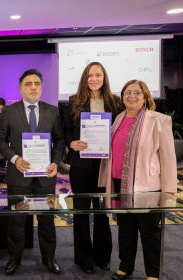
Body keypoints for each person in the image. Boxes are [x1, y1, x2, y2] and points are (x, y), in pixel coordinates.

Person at [98, 80, 178, 280]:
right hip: (119, 184)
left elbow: (168, 159)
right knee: (126, 230)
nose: (131, 96)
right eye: (127, 92)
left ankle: (152, 273)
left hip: (147, 187)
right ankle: (126, 267)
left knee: (149, 232)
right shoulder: (118, 118)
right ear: (122, 96)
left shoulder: (158, 120)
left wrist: (169, 193)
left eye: (137, 92)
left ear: (145, 97)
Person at [0, 68, 65, 275]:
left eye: (37, 84)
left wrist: (55, 161)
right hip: (18, 175)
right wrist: (14, 159)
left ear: (41, 87)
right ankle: (14, 259)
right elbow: (0, 140)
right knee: (16, 220)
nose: (33, 87)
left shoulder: (52, 111)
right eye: (28, 84)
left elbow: (60, 140)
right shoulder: (9, 111)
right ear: (20, 88)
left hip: (46, 175)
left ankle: (49, 259)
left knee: (46, 219)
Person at [64, 62, 121, 273]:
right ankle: (84, 259)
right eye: (90, 75)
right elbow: (66, 131)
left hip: (105, 165)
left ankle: (102, 257)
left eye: (98, 75)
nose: (94, 79)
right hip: (81, 165)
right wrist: (72, 143)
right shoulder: (73, 102)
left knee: (102, 212)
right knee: (81, 212)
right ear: (84, 79)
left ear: (104, 77)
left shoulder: (115, 102)